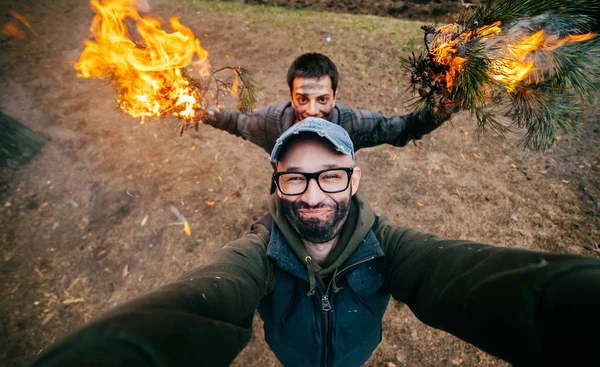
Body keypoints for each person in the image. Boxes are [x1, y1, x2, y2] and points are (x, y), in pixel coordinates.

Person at [32, 118, 600, 367]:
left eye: (330, 175)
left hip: (355, 355)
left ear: (354, 178)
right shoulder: (257, 252)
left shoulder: (390, 245)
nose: (312, 195)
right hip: (294, 358)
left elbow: (458, 274)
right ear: (277, 186)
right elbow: (203, 297)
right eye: (294, 178)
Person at [200, 52, 451, 154]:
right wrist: (203, 113)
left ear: (335, 96)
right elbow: (236, 122)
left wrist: (443, 107)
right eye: (302, 99)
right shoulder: (270, 123)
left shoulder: (353, 124)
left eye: (322, 99)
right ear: (290, 96)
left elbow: (405, 129)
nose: (312, 111)